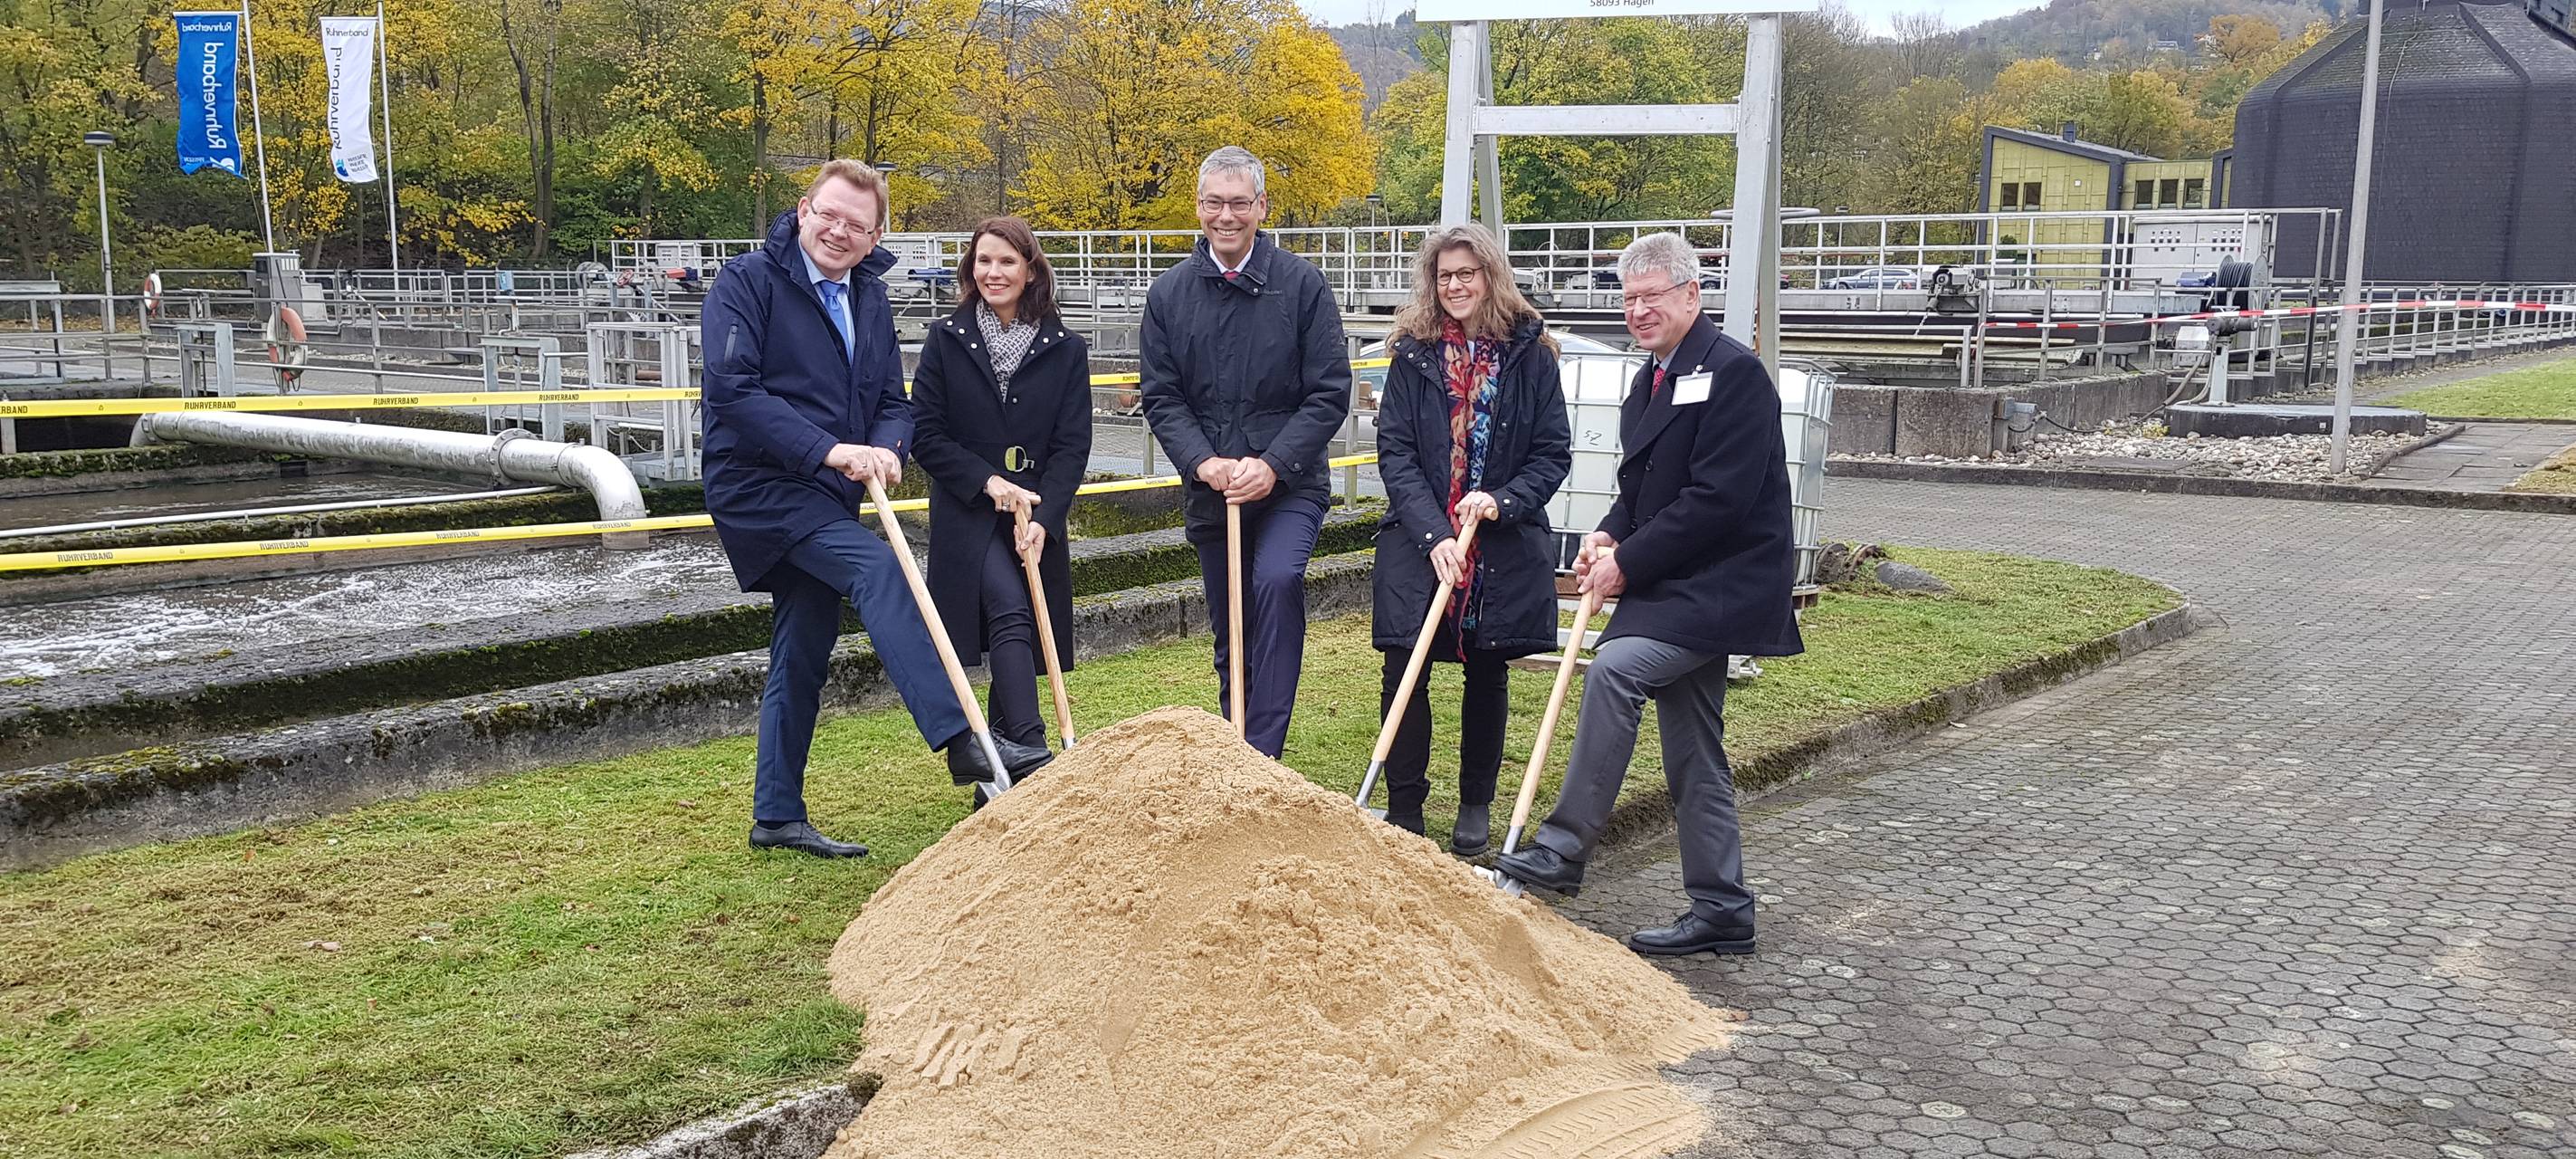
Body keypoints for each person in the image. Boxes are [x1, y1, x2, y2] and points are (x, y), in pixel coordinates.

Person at [699, 160, 1054, 858]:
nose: (839, 231)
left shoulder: (866, 295)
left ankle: (776, 815)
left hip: (828, 493)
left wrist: (887, 447)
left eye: (856, 225)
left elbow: (894, 401)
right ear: (803, 210)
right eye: (828, 215)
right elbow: (732, 391)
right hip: (762, 490)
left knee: (802, 647)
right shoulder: (747, 283)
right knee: (882, 570)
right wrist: (833, 451)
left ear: (875, 236)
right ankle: (965, 742)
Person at [1493, 231, 1804, 956]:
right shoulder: (1651, 379)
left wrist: (1627, 565)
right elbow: (1642, 491)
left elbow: (1716, 501)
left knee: (1619, 671)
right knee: (1695, 747)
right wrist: (1606, 534)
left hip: (1724, 584)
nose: (1638, 311)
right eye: (1629, 299)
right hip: (1677, 581)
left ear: (1692, 295)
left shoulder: (1734, 375)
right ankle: (1723, 907)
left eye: (1652, 297)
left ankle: (1564, 849)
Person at [1140, 146, 1352, 758]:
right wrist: (1201, 462)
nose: (1225, 216)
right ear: (1198, 206)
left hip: (1289, 485)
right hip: (1213, 491)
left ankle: (1265, 753)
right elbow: (1162, 395)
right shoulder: (1169, 295)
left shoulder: (1303, 286)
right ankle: (1237, 751)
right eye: (1214, 203)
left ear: (1261, 206)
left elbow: (1328, 392)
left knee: (1277, 581)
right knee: (1231, 626)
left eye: (1239, 203)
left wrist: (1272, 464)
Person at [1367, 224, 1570, 855]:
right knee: (1405, 665)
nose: (1455, 285)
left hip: (1499, 542)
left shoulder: (1533, 355)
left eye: (1467, 273)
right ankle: (1404, 809)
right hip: (1420, 535)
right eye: (1444, 275)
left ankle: (1476, 805)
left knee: (1488, 671)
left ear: (1491, 277)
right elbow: (1395, 453)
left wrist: (1501, 502)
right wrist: (1434, 533)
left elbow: (1551, 453)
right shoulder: (1411, 353)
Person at [911, 217, 1093, 794]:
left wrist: (1045, 518)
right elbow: (927, 434)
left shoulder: (1066, 349)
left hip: (1033, 511)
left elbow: (1072, 445)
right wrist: (988, 483)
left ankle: (999, 763)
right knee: (1010, 608)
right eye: (983, 261)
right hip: (968, 512)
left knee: (1015, 619)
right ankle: (1032, 751)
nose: (994, 272)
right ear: (970, 268)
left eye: (1007, 261)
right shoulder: (946, 339)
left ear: (1031, 269)